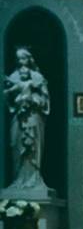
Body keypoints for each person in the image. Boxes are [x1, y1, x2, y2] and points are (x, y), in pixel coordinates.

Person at [3, 47, 50, 191]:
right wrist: (14, 104)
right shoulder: (13, 76)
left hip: (34, 116)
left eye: (23, 58)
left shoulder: (37, 77)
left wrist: (34, 100)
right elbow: (7, 97)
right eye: (18, 59)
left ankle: (33, 180)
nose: (21, 62)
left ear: (29, 59)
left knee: (32, 147)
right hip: (19, 117)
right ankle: (18, 180)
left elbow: (45, 99)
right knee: (15, 145)